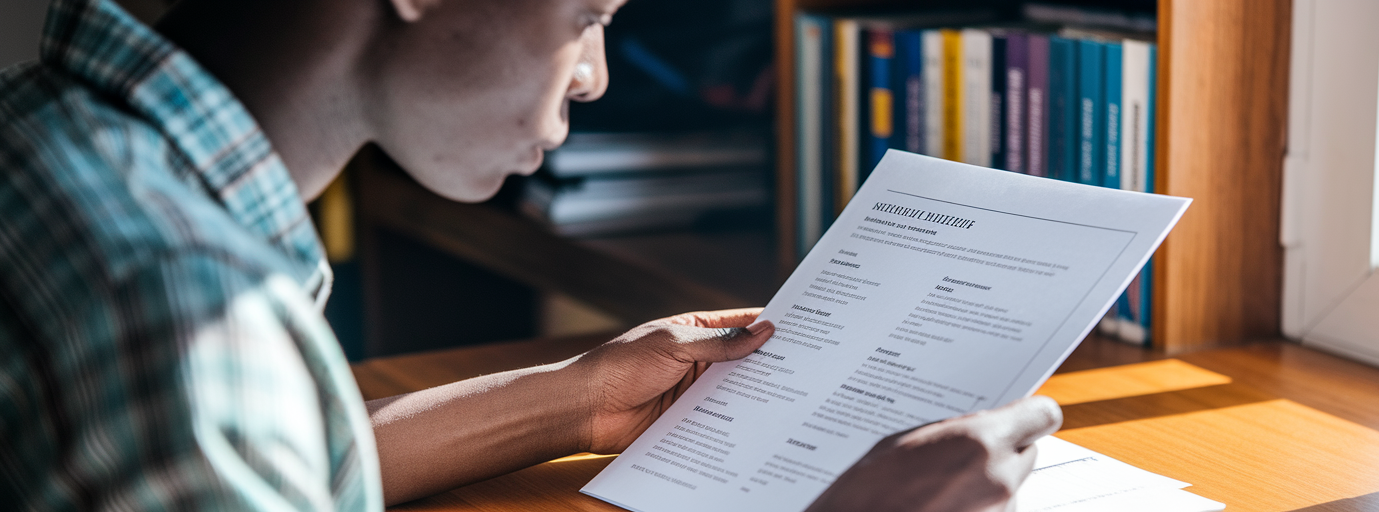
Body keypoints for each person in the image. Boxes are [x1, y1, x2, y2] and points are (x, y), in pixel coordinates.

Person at [0, 0, 1062, 509]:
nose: (596, 72)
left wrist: (573, 399)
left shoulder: (60, 144)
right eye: (590, 14)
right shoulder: (182, 305)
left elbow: (276, 459)